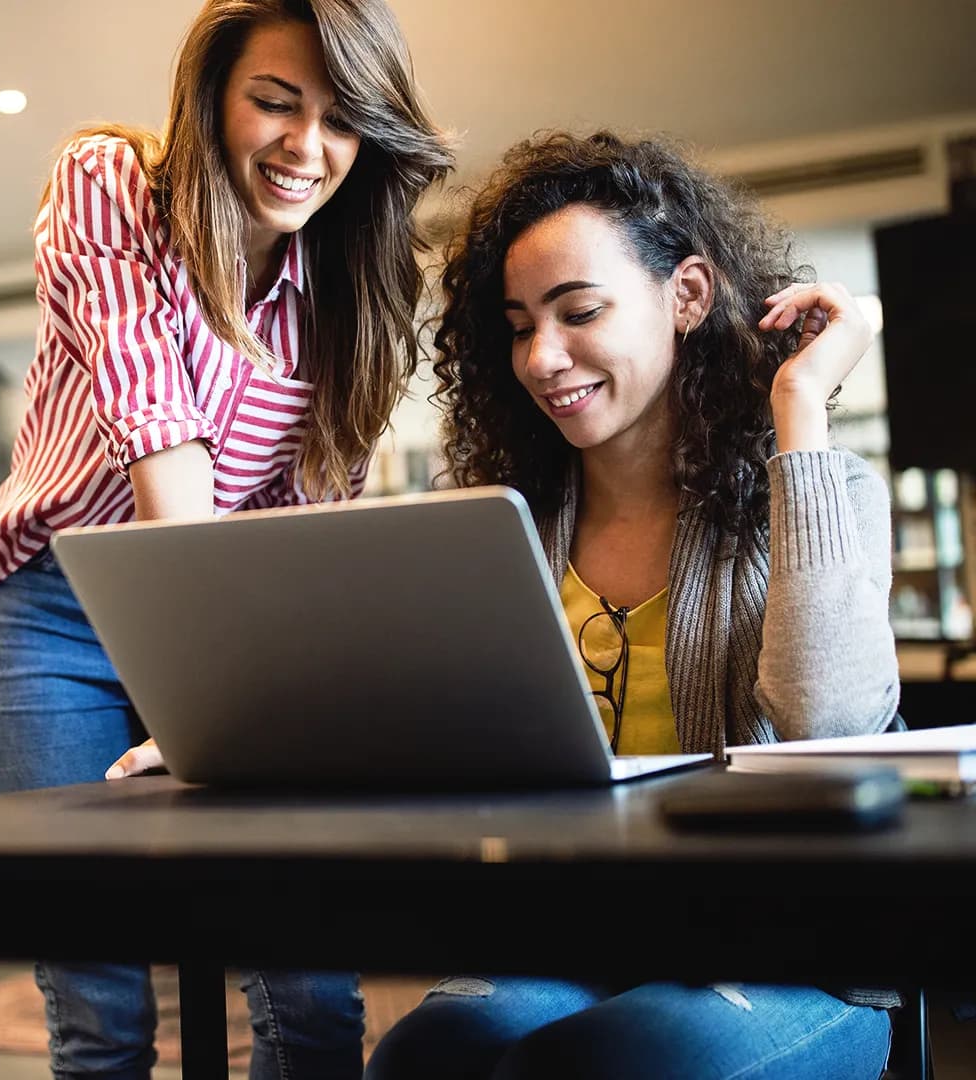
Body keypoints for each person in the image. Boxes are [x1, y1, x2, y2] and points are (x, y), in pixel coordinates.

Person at [0, 0, 452, 1075]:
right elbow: (160, 436)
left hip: (232, 635)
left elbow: (304, 542)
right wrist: (202, 696)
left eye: (341, 119)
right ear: (213, 96)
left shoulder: (347, 295)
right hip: (56, 613)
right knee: (103, 1008)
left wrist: (247, 700)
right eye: (274, 101)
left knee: (313, 991)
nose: (304, 146)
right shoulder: (110, 184)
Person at [355, 130, 900, 1078]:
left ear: (685, 296)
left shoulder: (817, 493)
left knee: (604, 1064)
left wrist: (802, 402)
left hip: (802, 957)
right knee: (423, 1055)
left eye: (579, 312)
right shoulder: (512, 527)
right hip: (583, 940)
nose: (542, 356)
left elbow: (833, 721)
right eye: (521, 325)